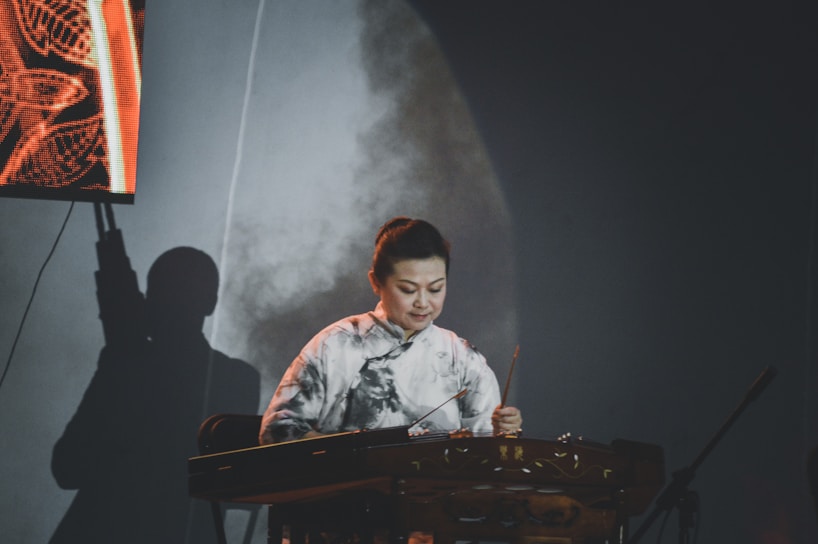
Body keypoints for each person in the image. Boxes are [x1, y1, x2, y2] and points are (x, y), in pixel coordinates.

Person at [260, 217, 521, 444]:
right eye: (408, 289)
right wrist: (355, 457)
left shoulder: (462, 358)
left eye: (435, 289)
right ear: (376, 282)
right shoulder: (335, 345)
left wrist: (503, 432)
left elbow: (486, 450)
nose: (422, 302)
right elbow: (277, 430)